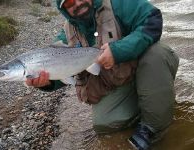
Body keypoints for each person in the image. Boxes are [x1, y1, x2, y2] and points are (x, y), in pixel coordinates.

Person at [26, 0, 179, 149]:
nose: (77, 4)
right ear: (63, 9)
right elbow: (64, 71)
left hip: (146, 68)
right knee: (105, 125)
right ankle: (152, 101)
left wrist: (117, 51)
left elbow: (153, 20)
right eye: (70, 2)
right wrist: (47, 82)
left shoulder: (119, 4)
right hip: (120, 82)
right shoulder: (67, 34)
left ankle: (153, 127)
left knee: (157, 53)